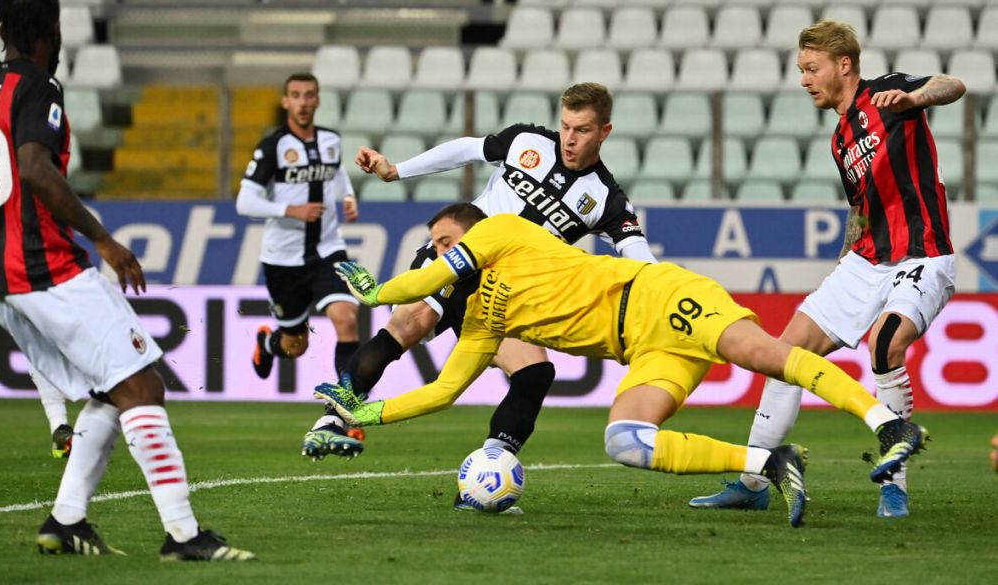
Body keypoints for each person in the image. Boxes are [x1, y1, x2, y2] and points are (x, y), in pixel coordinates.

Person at [317, 206, 930, 528]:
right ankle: (768, 463)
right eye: (437, 245)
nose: (442, 252)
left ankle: (885, 423)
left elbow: (429, 277)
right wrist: (365, 410)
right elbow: (444, 391)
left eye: (449, 241)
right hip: (645, 350)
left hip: (658, 297)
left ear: (472, 234)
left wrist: (374, 295)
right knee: (625, 441)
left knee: (766, 354)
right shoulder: (483, 322)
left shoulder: (502, 231)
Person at [0, 0, 253, 560]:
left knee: (113, 386)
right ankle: (184, 535)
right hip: (45, 266)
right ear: (55, 31)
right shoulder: (37, 87)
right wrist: (102, 238)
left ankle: (66, 520)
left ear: (2, 31)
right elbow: (32, 166)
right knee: (144, 382)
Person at [302, 83, 657, 488]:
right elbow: (467, 149)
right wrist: (396, 170)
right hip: (458, 259)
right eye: (565, 127)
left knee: (535, 372)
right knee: (409, 322)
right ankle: (329, 421)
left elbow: (639, 256)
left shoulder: (606, 199)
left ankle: (491, 469)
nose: (569, 140)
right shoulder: (528, 141)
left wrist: (663, 295)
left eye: (583, 130)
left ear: (604, 132)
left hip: (504, 295)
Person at [690, 19, 961, 519]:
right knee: (782, 354)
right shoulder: (840, 140)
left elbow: (953, 85)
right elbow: (860, 210)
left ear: (844, 64)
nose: (804, 79)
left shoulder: (889, 95)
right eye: (801, 69)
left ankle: (893, 487)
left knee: (886, 345)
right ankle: (753, 480)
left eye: (811, 68)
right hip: (866, 262)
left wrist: (917, 99)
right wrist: (844, 264)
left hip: (922, 254)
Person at [236, 73, 364, 453]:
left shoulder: (331, 140)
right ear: (286, 102)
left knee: (347, 318)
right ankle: (270, 342)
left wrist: (348, 195)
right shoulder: (272, 147)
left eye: (309, 95)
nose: (303, 102)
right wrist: (289, 209)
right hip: (283, 260)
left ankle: (342, 414)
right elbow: (245, 202)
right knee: (297, 346)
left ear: (318, 100)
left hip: (327, 249)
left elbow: (336, 171)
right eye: (296, 96)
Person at [0, 54, 72, 459]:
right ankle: (75, 418)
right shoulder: (13, 117)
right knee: (41, 338)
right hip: (11, 246)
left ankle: (61, 425)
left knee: (35, 340)